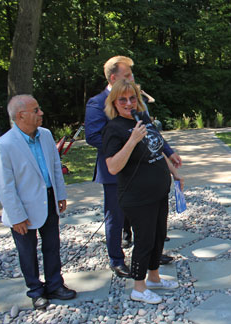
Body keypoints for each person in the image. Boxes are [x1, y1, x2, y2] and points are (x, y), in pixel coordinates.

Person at [85, 56, 181, 277]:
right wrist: (124, 148)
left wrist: (168, 152)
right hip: (116, 172)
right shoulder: (97, 102)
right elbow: (92, 136)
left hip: (145, 172)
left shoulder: (135, 100)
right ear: (113, 77)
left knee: (148, 220)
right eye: (127, 75)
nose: (132, 78)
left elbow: (151, 132)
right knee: (116, 216)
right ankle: (117, 259)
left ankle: (150, 256)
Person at [0, 95, 76, 310]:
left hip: (48, 199)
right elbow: (4, 186)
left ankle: (55, 285)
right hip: (22, 206)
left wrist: (60, 194)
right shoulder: (4, 145)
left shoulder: (46, 135)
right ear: (21, 115)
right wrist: (17, 215)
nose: (41, 113)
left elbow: (55, 166)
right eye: (36, 110)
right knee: (27, 252)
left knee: (52, 245)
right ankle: (36, 291)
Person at [102, 80, 181, 304]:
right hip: (137, 197)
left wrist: (174, 170)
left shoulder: (142, 119)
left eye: (132, 98)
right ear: (114, 103)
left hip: (158, 191)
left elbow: (156, 149)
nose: (129, 103)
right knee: (144, 241)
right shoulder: (113, 129)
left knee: (157, 237)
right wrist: (132, 140)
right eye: (123, 100)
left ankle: (154, 277)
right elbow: (113, 167)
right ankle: (138, 287)